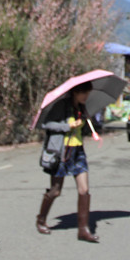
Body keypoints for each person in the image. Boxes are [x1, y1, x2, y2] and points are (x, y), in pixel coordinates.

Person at [36, 82, 99, 243]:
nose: (86, 96)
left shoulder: (82, 108)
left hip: (78, 152)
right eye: (83, 93)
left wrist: (91, 126)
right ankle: (41, 219)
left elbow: (83, 128)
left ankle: (83, 230)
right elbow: (47, 124)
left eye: (88, 93)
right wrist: (67, 126)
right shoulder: (61, 106)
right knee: (55, 191)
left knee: (84, 190)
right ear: (75, 92)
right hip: (62, 153)